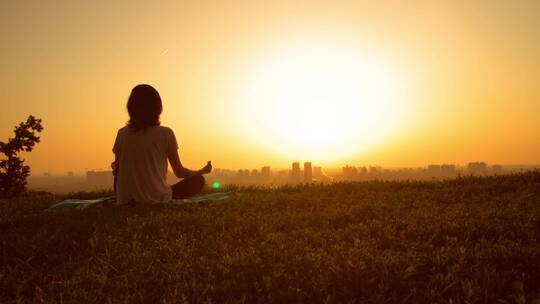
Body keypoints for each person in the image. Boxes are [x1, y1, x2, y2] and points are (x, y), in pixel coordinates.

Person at [111, 84, 212, 204]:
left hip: (124, 200)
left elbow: (117, 171)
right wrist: (202, 171)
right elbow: (179, 172)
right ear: (157, 108)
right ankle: (160, 191)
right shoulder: (165, 133)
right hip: (155, 199)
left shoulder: (121, 133)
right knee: (198, 181)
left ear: (131, 108)